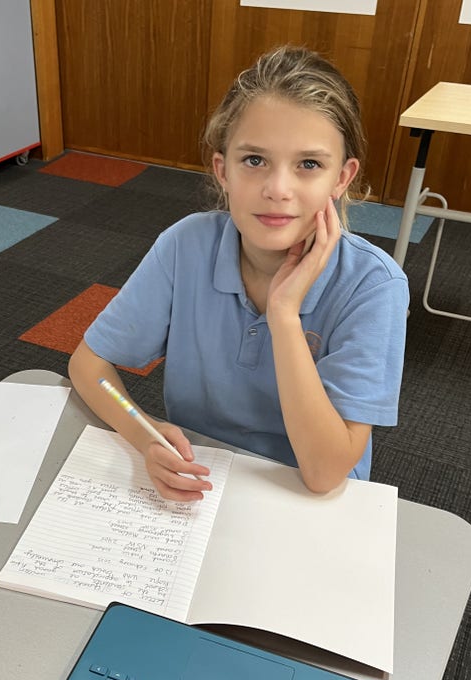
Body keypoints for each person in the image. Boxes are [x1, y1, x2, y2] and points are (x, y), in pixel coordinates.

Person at [69, 45, 409, 500]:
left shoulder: (373, 286)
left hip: (303, 498)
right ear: (221, 169)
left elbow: (325, 474)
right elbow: (90, 367)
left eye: (309, 165)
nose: (277, 190)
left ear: (342, 178)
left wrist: (284, 315)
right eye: (254, 160)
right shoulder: (185, 245)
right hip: (202, 479)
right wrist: (142, 431)